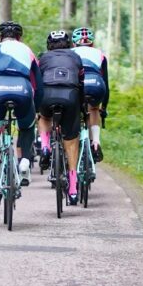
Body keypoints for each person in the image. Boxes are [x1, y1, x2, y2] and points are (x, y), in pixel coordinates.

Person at [0, 21, 41, 203]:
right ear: (19, 37)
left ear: (0, 37)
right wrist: (36, 109)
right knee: (27, 126)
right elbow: (38, 84)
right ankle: (24, 162)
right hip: (22, 90)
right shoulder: (27, 51)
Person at [36, 30, 86, 205]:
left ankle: (44, 147)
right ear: (70, 44)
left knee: (43, 117)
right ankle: (73, 189)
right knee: (71, 140)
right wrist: (80, 108)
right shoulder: (75, 57)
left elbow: (36, 83)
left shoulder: (42, 59)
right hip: (70, 95)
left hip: (47, 94)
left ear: (49, 46)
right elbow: (81, 84)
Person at [71, 26, 108, 163]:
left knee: (72, 110)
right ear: (92, 43)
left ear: (74, 43)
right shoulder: (100, 54)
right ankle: (96, 142)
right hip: (96, 84)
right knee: (94, 109)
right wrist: (103, 107)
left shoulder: (70, 52)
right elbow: (106, 83)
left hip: (77, 84)